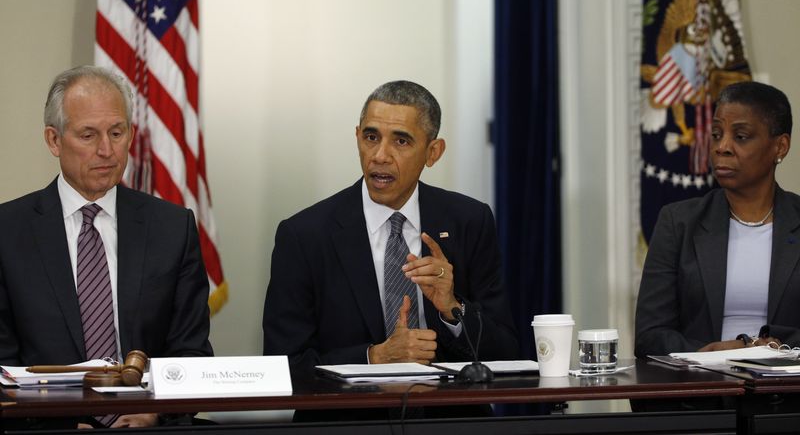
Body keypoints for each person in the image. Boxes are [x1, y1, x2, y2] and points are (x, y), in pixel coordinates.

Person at [0, 66, 213, 428]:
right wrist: (61, 423)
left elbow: (190, 353)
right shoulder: (8, 232)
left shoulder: (172, 228)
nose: (106, 150)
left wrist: (158, 412)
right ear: (54, 140)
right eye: (88, 135)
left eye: (117, 133)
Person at [262, 80, 518, 378]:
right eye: (371, 137)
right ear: (357, 137)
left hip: (449, 418)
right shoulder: (305, 235)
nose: (380, 155)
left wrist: (451, 307)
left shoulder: (469, 221)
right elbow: (283, 365)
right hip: (350, 419)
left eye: (401, 141)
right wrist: (373, 357)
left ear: (433, 152)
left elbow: (506, 353)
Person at [635, 81, 798, 358]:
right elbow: (650, 336)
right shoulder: (678, 223)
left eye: (741, 136)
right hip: (703, 392)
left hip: (788, 392)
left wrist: (775, 350)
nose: (722, 147)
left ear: (780, 147)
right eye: (716, 134)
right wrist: (709, 353)